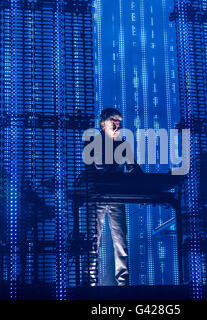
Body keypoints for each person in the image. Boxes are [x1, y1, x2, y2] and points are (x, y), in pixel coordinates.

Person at [85, 108, 142, 286]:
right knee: (93, 242)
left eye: (119, 120)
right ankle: (90, 284)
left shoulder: (123, 144)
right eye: (113, 120)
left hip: (116, 197)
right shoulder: (92, 143)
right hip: (98, 198)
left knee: (120, 242)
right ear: (102, 124)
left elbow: (135, 170)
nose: (117, 123)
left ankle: (123, 285)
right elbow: (89, 172)